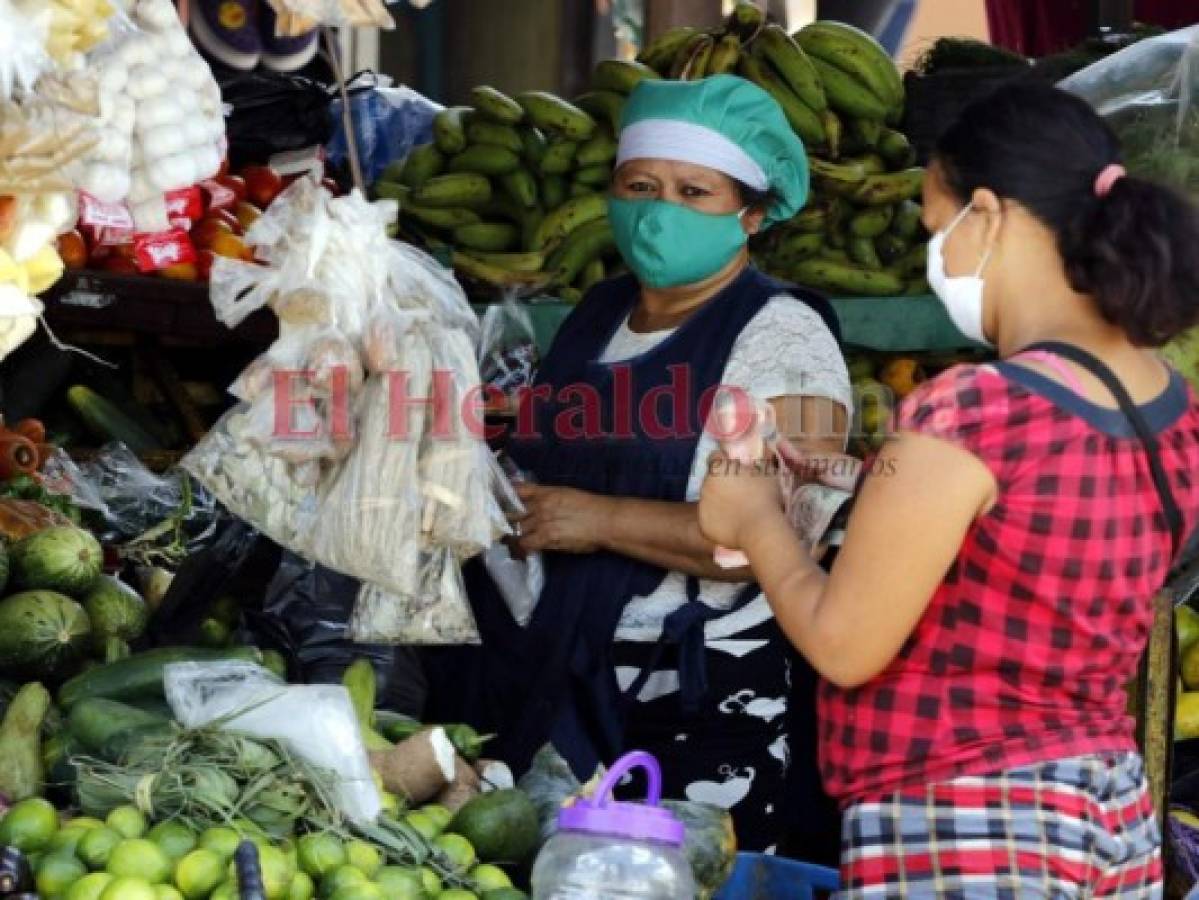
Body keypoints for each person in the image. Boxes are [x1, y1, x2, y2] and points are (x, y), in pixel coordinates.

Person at [698, 80, 1199, 894]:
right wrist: (873, 478)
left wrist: (756, 521)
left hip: (970, 821)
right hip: (1108, 812)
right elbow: (1029, 548)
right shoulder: (1168, 405)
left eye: (938, 230)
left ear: (991, 216)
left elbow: (844, 645)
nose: (936, 258)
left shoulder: (973, 408)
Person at [423, 75, 850, 852]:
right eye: (640, 185)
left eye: (696, 191)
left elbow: (791, 536)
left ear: (751, 213)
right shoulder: (596, 313)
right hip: (547, 677)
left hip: (690, 703)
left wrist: (595, 519)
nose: (661, 209)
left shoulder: (786, 338)